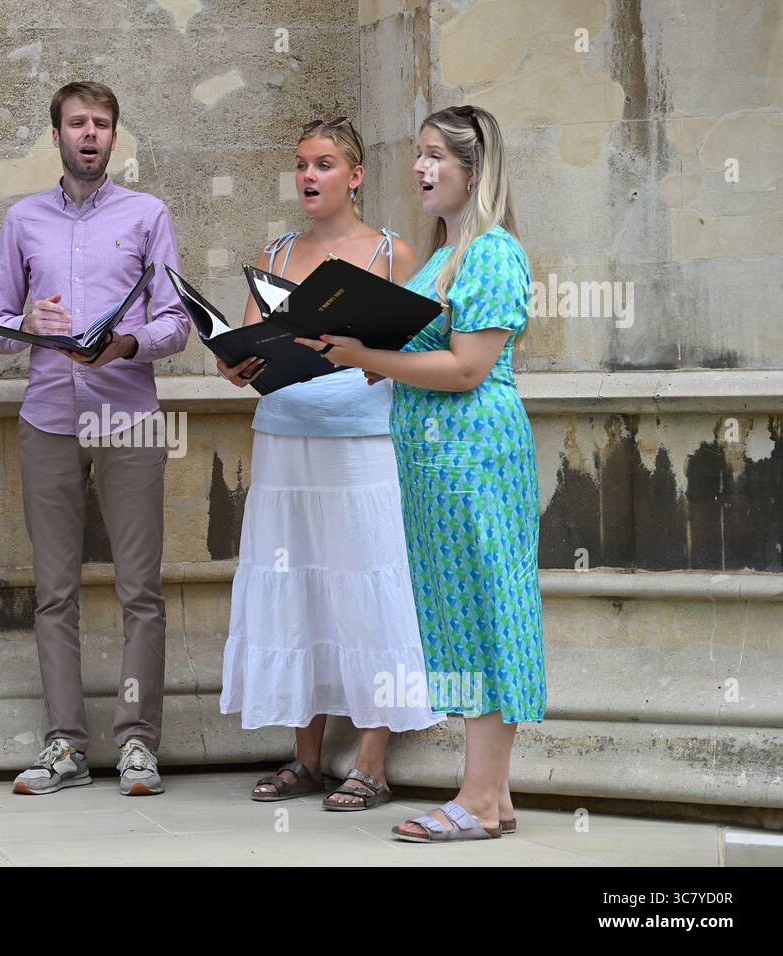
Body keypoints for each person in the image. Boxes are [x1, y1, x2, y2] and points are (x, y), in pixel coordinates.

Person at [297, 105, 543, 841]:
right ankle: (490, 798)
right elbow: (422, 351)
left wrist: (365, 359)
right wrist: (369, 355)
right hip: (433, 461)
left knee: (490, 614)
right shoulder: (440, 257)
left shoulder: (494, 253)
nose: (421, 168)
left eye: (436, 156)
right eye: (418, 155)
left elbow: (468, 368)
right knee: (456, 619)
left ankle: (474, 797)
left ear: (474, 169)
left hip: (477, 459)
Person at [216, 117, 443, 810]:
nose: (308, 177)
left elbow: (426, 341)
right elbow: (247, 334)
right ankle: (305, 759)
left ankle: (370, 760)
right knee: (297, 590)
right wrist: (235, 362)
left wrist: (384, 363)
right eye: (300, 165)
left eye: (322, 164)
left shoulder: (391, 253)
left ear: (355, 174)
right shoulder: (277, 249)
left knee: (365, 587)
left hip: (360, 446)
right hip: (285, 438)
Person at [0, 81, 190, 796]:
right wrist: (28, 325)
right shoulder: (22, 219)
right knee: (53, 591)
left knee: (140, 589)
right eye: (78, 123)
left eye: (102, 123)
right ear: (57, 136)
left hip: (126, 415)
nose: (90, 134)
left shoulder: (147, 215)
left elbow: (176, 320)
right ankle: (65, 744)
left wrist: (126, 345)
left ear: (115, 135)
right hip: (47, 416)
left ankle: (137, 743)